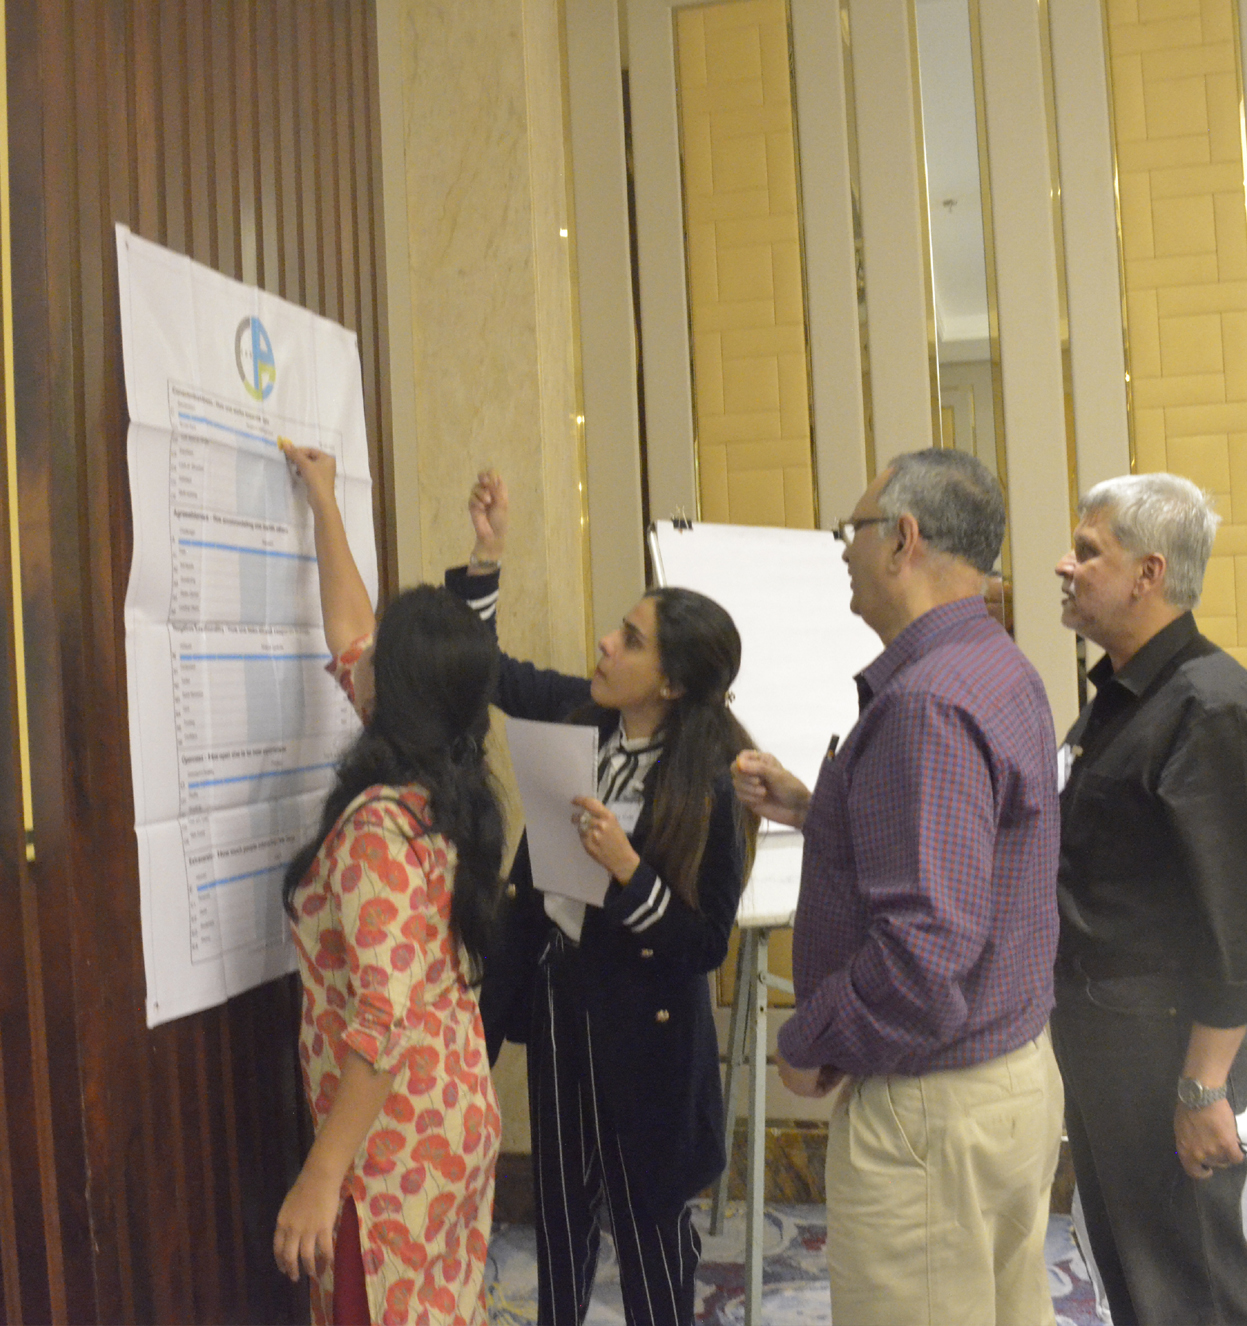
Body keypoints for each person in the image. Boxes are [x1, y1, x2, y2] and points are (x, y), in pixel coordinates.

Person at [732, 449, 1064, 1326]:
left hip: (932, 1114)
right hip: (1007, 1080)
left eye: (854, 529)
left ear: (903, 540)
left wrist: (809, 1040)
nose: (844, 549)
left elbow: (923, 955)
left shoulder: (925, 701)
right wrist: (818, 812)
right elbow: (977, 857)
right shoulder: (997, 665)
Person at [448, 470, 756, 1326]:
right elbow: (490, 674)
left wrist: (629, 870)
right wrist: (486, 555)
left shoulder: (711, 780)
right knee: (560, 1208)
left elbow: (705, 943)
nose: (606, 644)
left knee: (649, 1222)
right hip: (560, 996)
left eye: (631, 639)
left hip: (647, 1029)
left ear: (673, 683)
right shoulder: (582, 715)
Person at [1050, 472, 1247, 1326]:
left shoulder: (1212, 709)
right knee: (1141, 1286)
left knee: (1191, 1294)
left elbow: (1245, 924)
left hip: (1166, 1051)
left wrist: (1202, 1086)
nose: (1064, 566)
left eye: (1087, 552)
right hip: (1108, 1038)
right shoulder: (1124, 700)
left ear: (1148, 573)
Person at [272, 441, 505, 1326]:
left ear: (388, 692)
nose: (355, 660)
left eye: (376, 659)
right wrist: (325, 501)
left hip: (392, 1146)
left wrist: (320, 1175)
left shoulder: (377, 827)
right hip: (451, 1108)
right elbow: (352, 634)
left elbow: (382, 1018)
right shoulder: (448, 779)